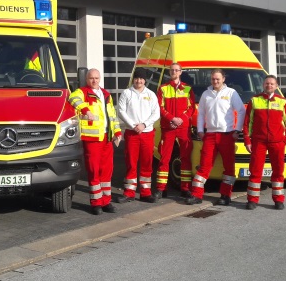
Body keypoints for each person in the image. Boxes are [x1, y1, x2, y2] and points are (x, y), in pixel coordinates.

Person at [186, 69, 245, 205]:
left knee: (229, 167)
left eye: (218, 79)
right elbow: (200, 113)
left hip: (227, 135)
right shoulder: (206, 94)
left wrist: (237, 130)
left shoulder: (231, 93)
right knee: (204, 166)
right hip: (210, 135)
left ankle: (225, 196)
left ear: (223, 79)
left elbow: (241, 111)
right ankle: (196, 195)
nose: (215, 81)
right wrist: (200, 130)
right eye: (213, 79)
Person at [68, 68, 122, 215]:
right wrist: (86, 110)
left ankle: (106, 202)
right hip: (92, 139)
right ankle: (96, 203)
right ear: (87, 79)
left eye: (97, 78)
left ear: (100, 79)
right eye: (91, 78)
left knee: (107, 171)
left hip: (107, 137)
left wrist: (117, 131)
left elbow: (112, 115)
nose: (94, 81)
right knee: (94, 170)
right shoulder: (82, 92)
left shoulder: (106, 94)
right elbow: (72, 98)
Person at [242, 75, 286, 210]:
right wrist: (247, 140)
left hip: (277, 142)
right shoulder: (254, 100)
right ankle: (252, 200)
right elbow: (247, 123)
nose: (269, 86)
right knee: (255, 170)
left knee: (278, 171)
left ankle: (278, 200)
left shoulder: (282, 102)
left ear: (276, 86)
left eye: (272, 84)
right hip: (258, 142)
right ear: (263, 85)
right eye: (267, 83)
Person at [116, 68, 161, 203]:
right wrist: (133, 125)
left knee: (147, 162)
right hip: (132, 133)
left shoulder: (151, 94)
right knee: (131, 162)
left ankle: (145, 192)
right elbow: (121, 111)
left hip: (146, 133)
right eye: (136, 78)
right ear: (133, 79)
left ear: (145, 80)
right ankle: (129, 193)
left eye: (141, 79)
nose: (139, 81)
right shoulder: (126, 93)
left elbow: (156, 113)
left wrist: (144, 125)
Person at [154, 63, 196, 199]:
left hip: (183, 128)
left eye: (176, 70)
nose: (174, 72)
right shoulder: (163, 88)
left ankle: (185, 188)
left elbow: (191, 108)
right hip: (169, 128)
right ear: (169, 72)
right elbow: (160, 107)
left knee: (185, 158)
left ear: (180, 72)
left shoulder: (188, 89)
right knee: (164, 158)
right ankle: (161, 189)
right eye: (172, 70)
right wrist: (172, 119)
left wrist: (181, 119)